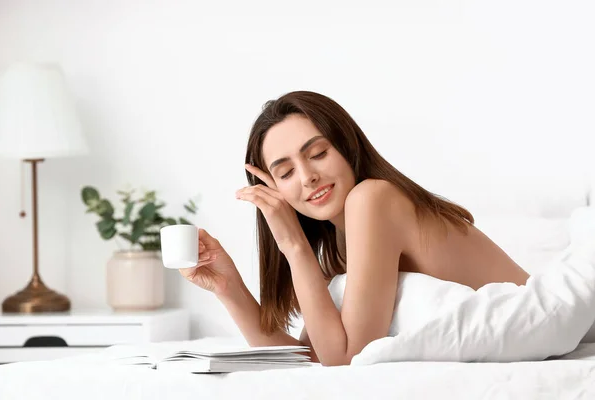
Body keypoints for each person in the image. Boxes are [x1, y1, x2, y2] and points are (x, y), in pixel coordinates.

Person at [179, 91, 530, 366]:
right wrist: (228, 287)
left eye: (317, 153)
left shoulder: (372, 199)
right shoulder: (343, 243)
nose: (307, 176)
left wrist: (294, 245)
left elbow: (346, 359)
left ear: (347, 146)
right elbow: (310, 356)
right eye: (285, 173)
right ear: (274, 189)